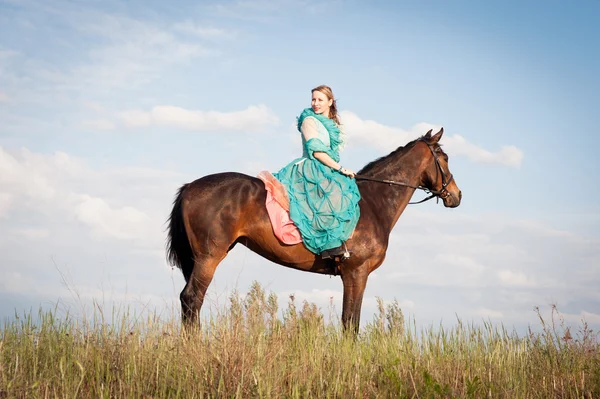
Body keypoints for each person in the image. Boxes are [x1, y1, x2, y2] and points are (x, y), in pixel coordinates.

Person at [269, 85, 361, 260]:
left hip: (326, 166)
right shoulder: (309, 120)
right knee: (330, 197)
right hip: (311, 166)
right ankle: (327, 246)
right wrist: (341, 169)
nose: (316, 103)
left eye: (320, 100)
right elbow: (317, 152)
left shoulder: (331, 125)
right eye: (313, 99)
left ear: (330, 102)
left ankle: (340, 241)